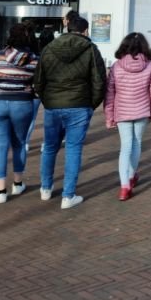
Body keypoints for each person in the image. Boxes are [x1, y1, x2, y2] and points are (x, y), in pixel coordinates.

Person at [35, 16, 106, 209]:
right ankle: (68, 195)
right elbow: (99, 81)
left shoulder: (49, 49)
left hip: (53, 105)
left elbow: (39, 80)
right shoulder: (91, 50)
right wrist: (91, 104)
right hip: (79, 105)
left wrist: (47, 100)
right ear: (85, 30)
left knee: (50, 147)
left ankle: (45, 188)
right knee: (73, 149)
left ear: (67, 27)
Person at [0, 24, 39, 203]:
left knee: (0, 147)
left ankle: (1, 192)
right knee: (19, 143)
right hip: (22, 104)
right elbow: (38, 85)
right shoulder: (35, 59)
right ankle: (18, 184)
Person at [104, 32, 151, 201]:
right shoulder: (150, 65)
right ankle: (130, 176)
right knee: (136, 143)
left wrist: (109, 116)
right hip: (142, 110)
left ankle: (124, 186)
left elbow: (109, 93)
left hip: (122, 111)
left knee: (126, 146)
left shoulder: (116, 66)